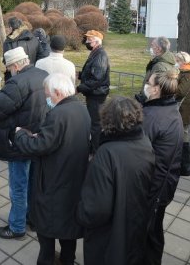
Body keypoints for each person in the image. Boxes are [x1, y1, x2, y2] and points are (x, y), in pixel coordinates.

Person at [13, 73, 90, 265]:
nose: (47, 98)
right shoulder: (82, 109)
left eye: (48, 94)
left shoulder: (58, 114)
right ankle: (67, 260)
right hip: (74, 179)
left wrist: (21, 135)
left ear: (57, 92)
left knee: (47, 230)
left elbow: (38, 146)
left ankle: (46, 260)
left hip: (54, 181)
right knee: (69, 230)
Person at [76, 97, 155, 265]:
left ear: (107, 120)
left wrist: (81, 212)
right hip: (135, 228)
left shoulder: (106, 154)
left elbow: (96, 209)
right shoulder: (145, 143)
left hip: (109, 238)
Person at [0, 47, 49, 240]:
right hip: (37, 138)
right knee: (33, 184)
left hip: (19, 140)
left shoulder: (17, 82)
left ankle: (17, 226)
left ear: (15, 65)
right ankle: (32, 220)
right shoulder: (43, 74)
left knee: (18, 186)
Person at [141, 70, 183, 265]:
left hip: (153, 186)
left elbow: (138, 152)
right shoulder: (170, 107)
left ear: (156, 89)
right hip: (165, 181)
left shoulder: (152, 116)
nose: (146, 85)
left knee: (148, 233)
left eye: (148, 82)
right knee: (154, 229)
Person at [77, 30, 110, 153]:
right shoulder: (95, 53)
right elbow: (91, 73)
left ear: (96, 41)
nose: (86, 42)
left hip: (97, 95)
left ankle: (96, 151)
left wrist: (79, 88)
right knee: (94, 123)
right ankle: (93, 146)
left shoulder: (100, 55)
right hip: (94, 93)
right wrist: (79, 75)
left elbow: (96, 78)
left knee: (96, 125)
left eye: (88, 40)